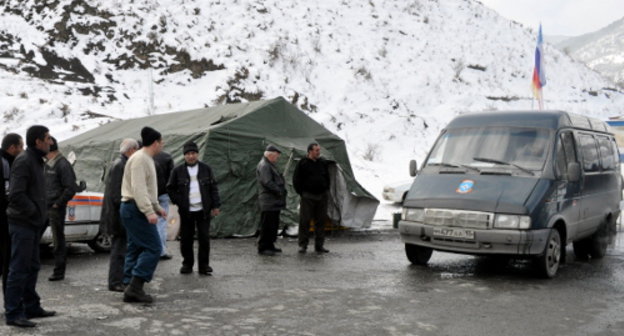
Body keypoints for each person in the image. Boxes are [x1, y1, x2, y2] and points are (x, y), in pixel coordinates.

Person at [4, 125, 55, 328]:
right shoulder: (24, 161)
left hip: (33, 224)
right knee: (18, 269)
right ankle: (13, 313)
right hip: (23, 223)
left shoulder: (36, 161)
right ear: (38, 141)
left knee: (32, 266)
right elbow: (16, 195)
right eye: (47, 138)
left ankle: (31, 306)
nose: (50, 142)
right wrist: (34, 211)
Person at [120, 127, 166, 303]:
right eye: (161, 143)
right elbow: (139, 189)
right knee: (154, 247)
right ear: (155, 143)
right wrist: (148, 211)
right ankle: (135, 287)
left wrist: (155, 206)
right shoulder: (140, 159)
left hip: (134, 207)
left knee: (136, 246)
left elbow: (147, 189)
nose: (162, 146)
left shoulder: (145, 158)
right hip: (135, 208)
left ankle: (128, 283)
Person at [167, 141, 221, 275]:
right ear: (184, 156)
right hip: (187, 211)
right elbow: (170, 188)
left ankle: (204, 266)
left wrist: (215, 205)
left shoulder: (206, 169)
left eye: (193, 153)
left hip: (203, 210)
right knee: (186, 239)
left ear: (197, 154)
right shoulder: (177, 171)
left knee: (204, 238)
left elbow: (213, 188)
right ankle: (187, 264)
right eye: (188, 154)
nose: (191, 156)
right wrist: (180, 201)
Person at [100, 138, 139, 292]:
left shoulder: (121, 163)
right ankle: (116, 281)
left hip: (118, 214)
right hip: (117, 215)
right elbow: (117, 194)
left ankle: (120, 279)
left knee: (122, 248)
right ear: (131, 150)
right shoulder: (120, 165)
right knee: (119, 250)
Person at [45, 137, 77, 282]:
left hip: (55, 208)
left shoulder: (63, 164)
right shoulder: (47, 164)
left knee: (58, 240)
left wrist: (58, 203)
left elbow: (71, 188)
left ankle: (59, 271)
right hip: (44, 206)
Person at [293, 143, 331, 254]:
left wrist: (325, 189)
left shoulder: (323, 162)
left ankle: (319, 246)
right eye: (316, 150)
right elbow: (296, 179)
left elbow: (327, 178)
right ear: (310, 151)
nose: (318, 152)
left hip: (322, 196)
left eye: (319, 150)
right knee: (305, 221)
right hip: (308, 196)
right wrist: (302, 193)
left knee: (320, 221)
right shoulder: (302, 163)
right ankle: (303, 245)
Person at [0, 133, 24, 295]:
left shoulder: (12, 161)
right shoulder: (4, 163)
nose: (22, 150)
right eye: (20, 146)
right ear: (12, 147)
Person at [255, 145, 286, 256]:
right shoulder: (264, 166)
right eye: (276, 156)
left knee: (273, 224)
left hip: (273, 201)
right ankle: (263, 247)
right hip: (268, 200)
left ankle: (270, 244)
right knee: (267, 225)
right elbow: (267, 182)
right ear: (271, 155)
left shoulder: (269, 164)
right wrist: (279, 191)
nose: (277, 159)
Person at [153, 151, 174, 260]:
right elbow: (172, 177)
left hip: (147, 195)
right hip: (162, 194)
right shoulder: (166, 157)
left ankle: (151, 249)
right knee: (161, 223)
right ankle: (161, 250)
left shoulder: (142, 155)